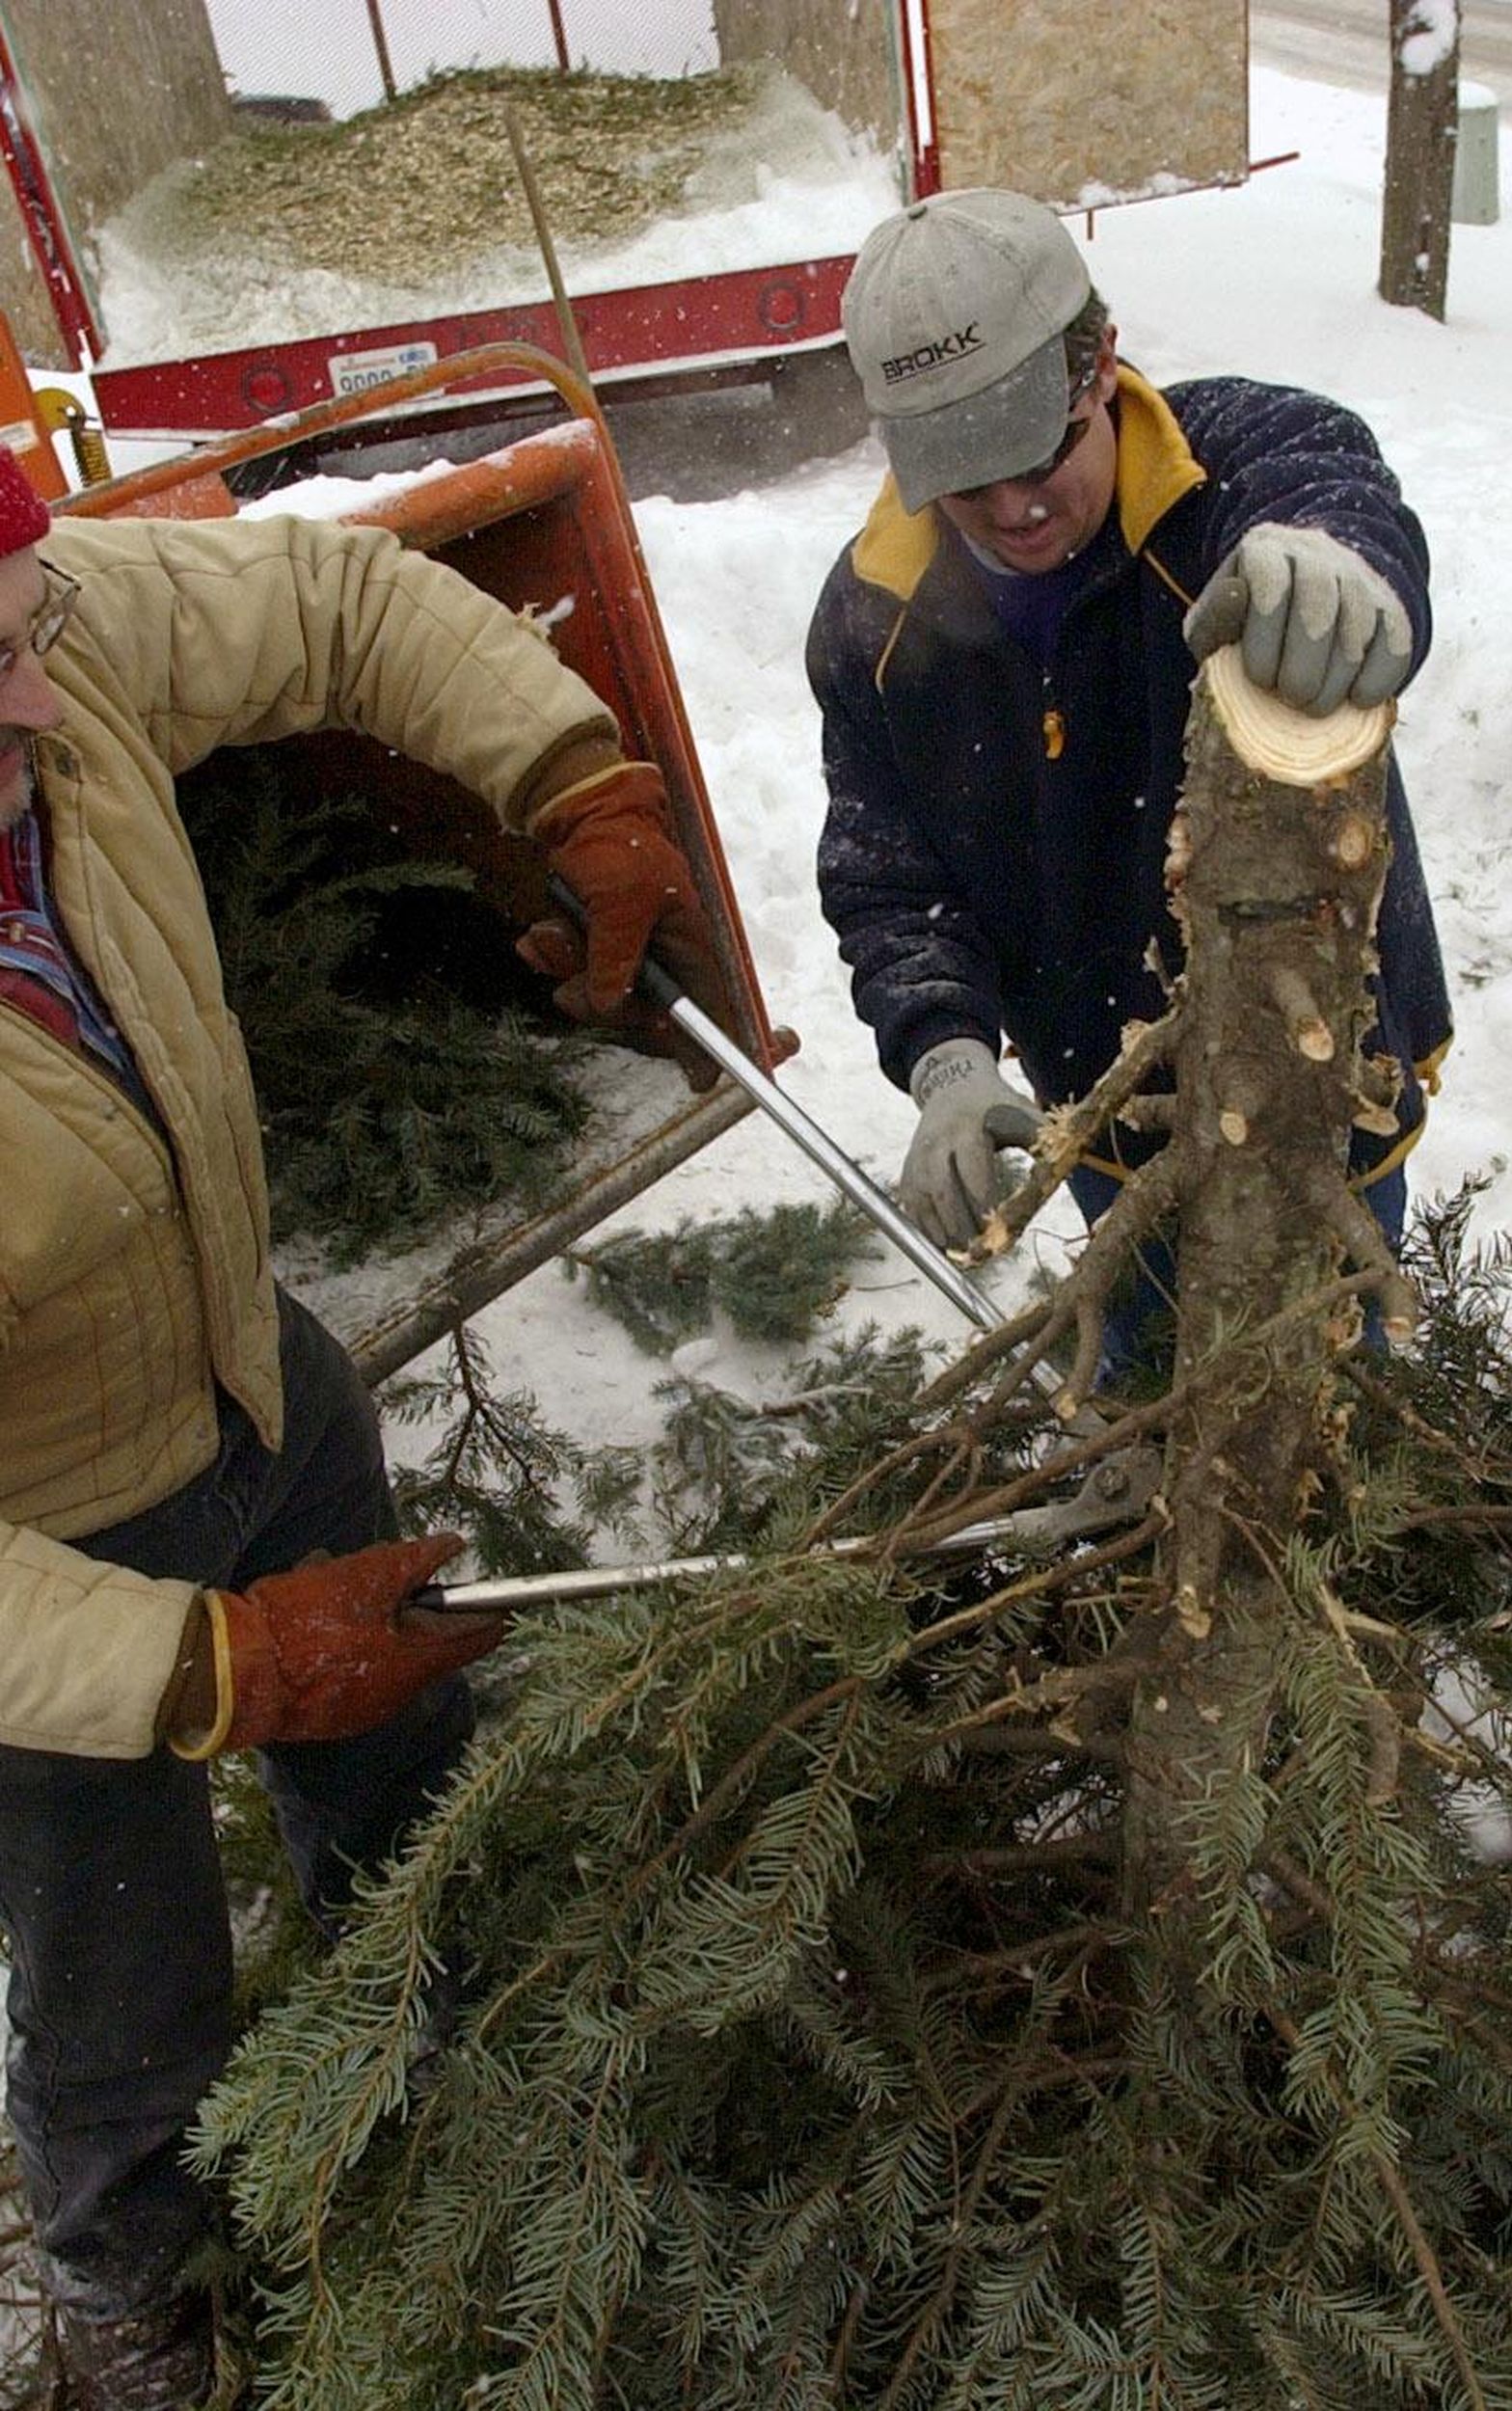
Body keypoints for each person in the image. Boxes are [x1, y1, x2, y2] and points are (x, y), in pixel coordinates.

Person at [0, 447, 721, 2408]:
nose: (44, 697)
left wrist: (568, 774)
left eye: (28, 631)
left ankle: (459, 2066)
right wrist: (204, 1662)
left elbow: (334, 600)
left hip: (258, 1376)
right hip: (50, 1531)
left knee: (402, 1759)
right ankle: (132, 2293)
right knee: (119, 1964)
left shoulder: (52, 640)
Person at [809, 187, 1452, 1362]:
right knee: (1150, 1362)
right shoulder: (874, 620)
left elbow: (1332, 486)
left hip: (1322, 1079)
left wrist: (1341, 565)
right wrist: (946, 1056)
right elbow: (890, 878)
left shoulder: (1233, 463)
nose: (1014, 509)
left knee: (1331, 1366)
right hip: (1103, 1094)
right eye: (966, 481)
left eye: (1040, 453)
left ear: (1099, 364)